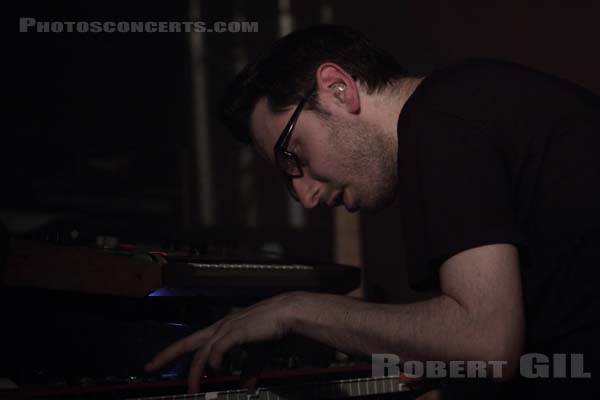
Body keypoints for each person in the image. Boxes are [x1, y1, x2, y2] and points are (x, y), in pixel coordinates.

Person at [145, 25, 600, 398]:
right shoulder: (465, 105)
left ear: (338, 89)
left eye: (294, 156)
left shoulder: (441, 119)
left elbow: (487, 342)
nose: (304, 196)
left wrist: (294, 310)